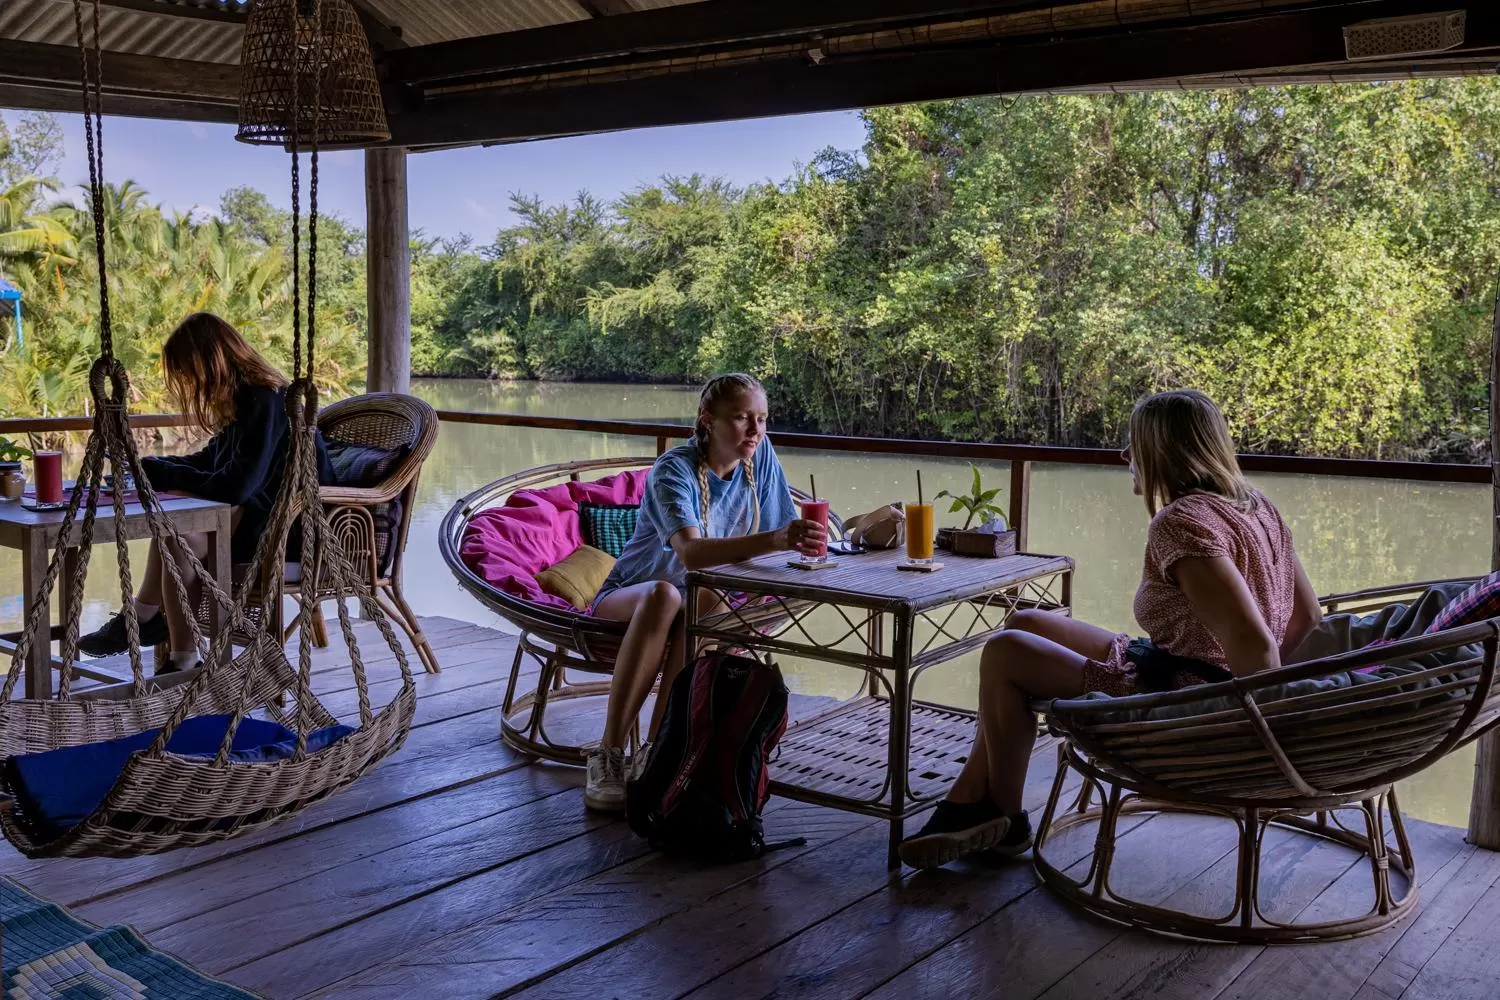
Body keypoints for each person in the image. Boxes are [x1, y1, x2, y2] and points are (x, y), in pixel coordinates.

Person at [897, 389, 1322, 870]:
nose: (1126, 457)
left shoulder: (1181, 522)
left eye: (1134, 444)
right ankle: (980, 801)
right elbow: (1307, 619)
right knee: (1024, 621)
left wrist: (1255, 734)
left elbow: (1252, 640)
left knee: (1004, 653)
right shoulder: (1257, 506)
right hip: (1179, 667)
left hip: (1189, 697)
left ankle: (1000, 812)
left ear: (1162, 451)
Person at [583, 372, 826, 812]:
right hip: (630, 598)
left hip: (696, 600)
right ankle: (610, 752)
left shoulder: (761, 459)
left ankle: (658, 750)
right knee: (667, 594)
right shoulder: (672, 470)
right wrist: (777, 539)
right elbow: (692, 553)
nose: (754, 430)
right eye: (740, 417)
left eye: (762, 419)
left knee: (703, 599)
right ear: (707, 420)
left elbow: (782, 531)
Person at [77, 312, 331, 670]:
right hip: (261, 520)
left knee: (176, 535)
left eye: (185, 370)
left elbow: (236, 486)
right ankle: (170, 647)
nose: (186, 381)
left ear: (209, 362)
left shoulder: (266, 400)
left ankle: (153, 628)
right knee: (173, 532)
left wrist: (155, 471)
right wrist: (143, 465)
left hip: (290, 532)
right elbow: (208, 463)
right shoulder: (246, 402)